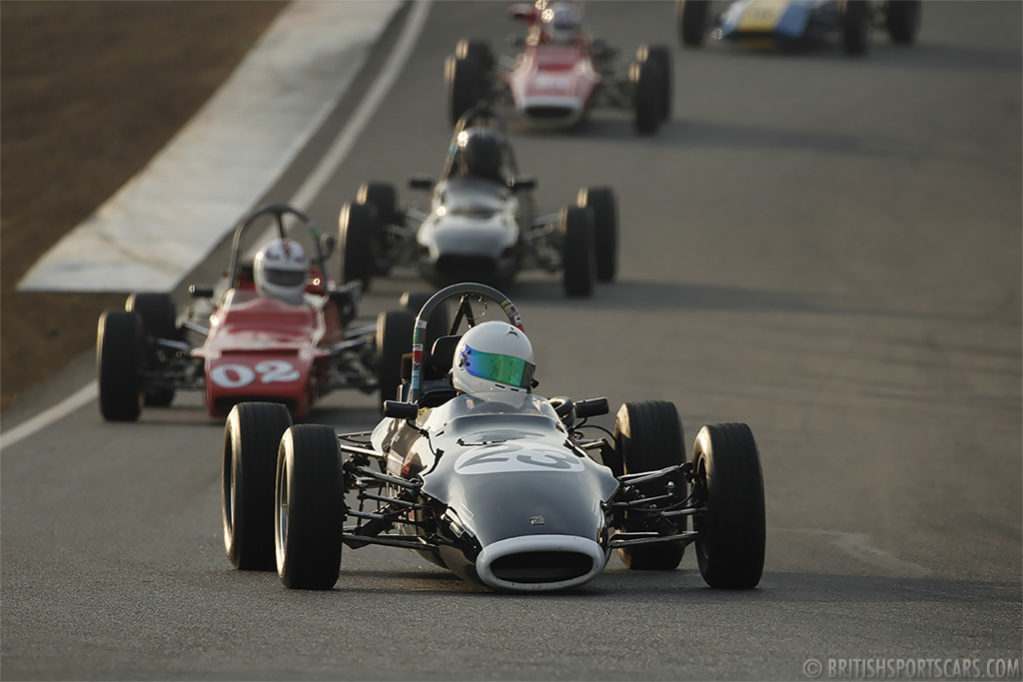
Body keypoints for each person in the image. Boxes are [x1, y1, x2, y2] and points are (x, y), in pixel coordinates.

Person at [451, 320, 536, 408]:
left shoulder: (534, 416)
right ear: (464, 360)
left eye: (514, 372)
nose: (503, 375)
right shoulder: (443, 416)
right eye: (492, 367)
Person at [252, 238, 309, 305]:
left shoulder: (315, 307)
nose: (285, 279)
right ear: (260, 272)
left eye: (291, 277)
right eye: (278, 275)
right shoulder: (244, 311)